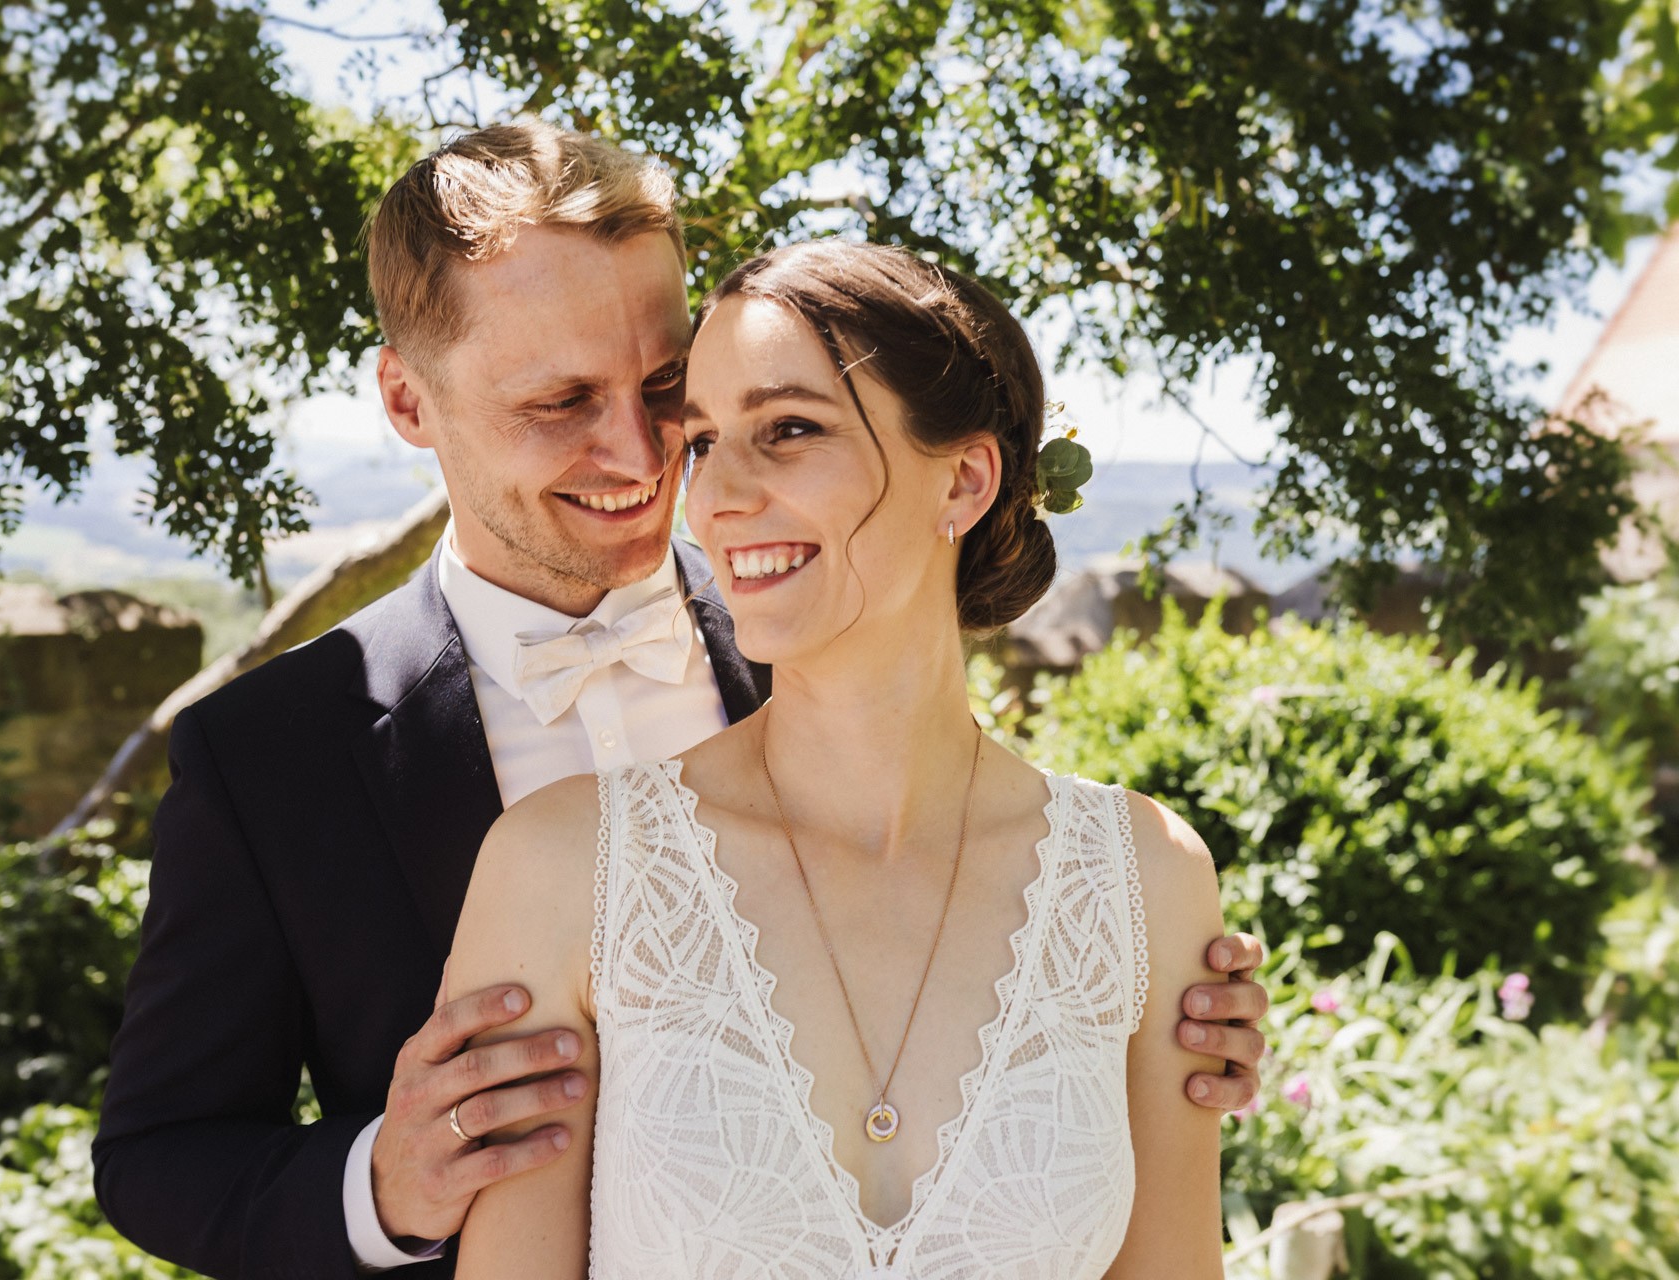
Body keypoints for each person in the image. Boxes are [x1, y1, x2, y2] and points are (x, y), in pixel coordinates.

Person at [93, 121, 1268, 1280]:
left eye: (665, 391)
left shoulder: (824, 615)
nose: (644, 456)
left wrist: (1111, 1035)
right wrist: (389, 1182)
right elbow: (161, 1154)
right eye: (560, 401)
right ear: (408, 402)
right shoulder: (270, 758)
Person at [443, 239, 1228, 1278]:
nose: (717, 494)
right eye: (708, 441)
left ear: (965, 480)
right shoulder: (561, 868)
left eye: (792, 429)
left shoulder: (1149, 882)